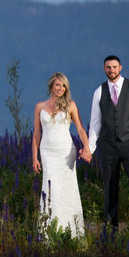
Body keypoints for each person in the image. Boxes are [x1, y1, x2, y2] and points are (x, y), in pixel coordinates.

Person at [88, 55, 129, 229]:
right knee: (109, 185)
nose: (112, 70)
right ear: (104, 69)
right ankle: (110, 226)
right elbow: (95, 123)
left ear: (121, 67)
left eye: (114, 67)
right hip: (108, 146)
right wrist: (90, 148)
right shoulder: (99, 92)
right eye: (108, 67)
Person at [31, 72, 92, 237]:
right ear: (51, 85)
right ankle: (48, 233)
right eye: (58, 85)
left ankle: (72, 233)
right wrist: (34, 157)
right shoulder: (39, 107)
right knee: (49, 188)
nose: (60, 88)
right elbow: (36, 134)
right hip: (47, 152)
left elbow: (80, 128)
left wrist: (86, 147)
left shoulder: (71, 105)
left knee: (67, 189)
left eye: (63, 85)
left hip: (66, 152)